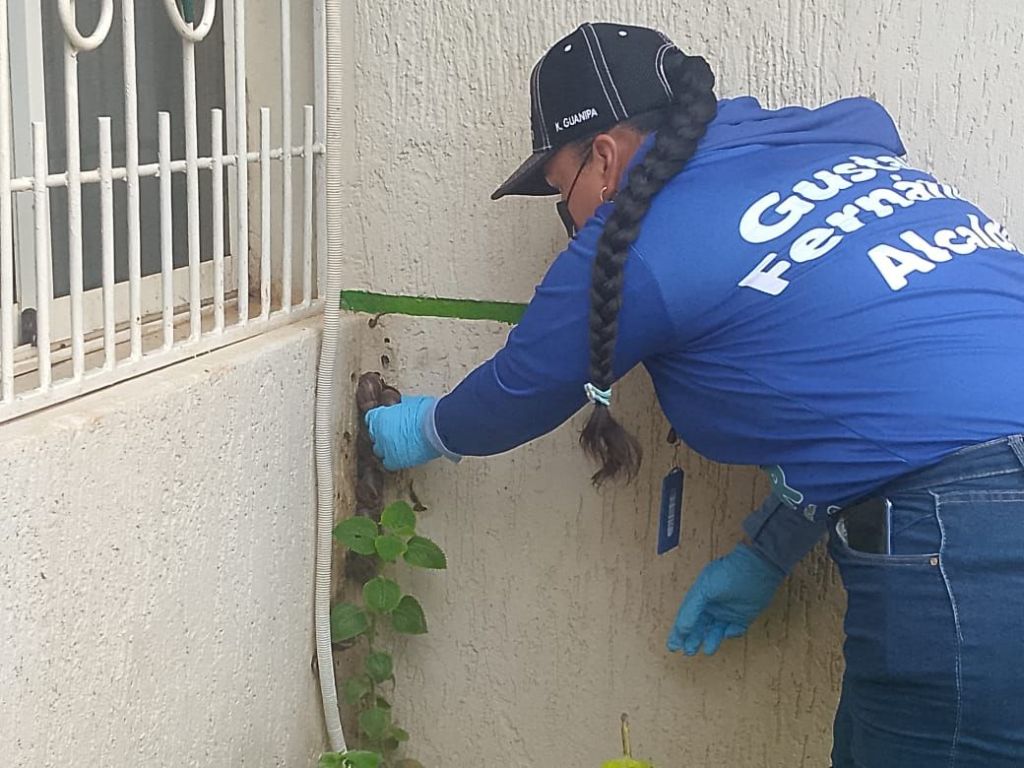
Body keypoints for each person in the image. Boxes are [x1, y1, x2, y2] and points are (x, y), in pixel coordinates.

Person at [363, 21, 1024, 768]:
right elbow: (891, 405)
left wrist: (427, 429)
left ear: (603, 157)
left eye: (559, 190)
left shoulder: (647, 238)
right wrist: (769, 550)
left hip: (973, 546)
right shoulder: (831, 158)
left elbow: (522, 388)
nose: (569, 218)